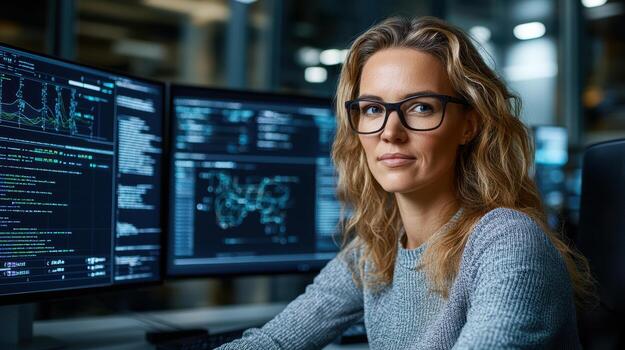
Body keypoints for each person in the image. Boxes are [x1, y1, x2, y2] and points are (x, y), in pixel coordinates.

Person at [217, 16, 593, 349]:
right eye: (373, 109)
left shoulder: (508, 242)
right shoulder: (375, 248)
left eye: (421, 107)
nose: (390, 133)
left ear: (468, 125)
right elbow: (275, 340)